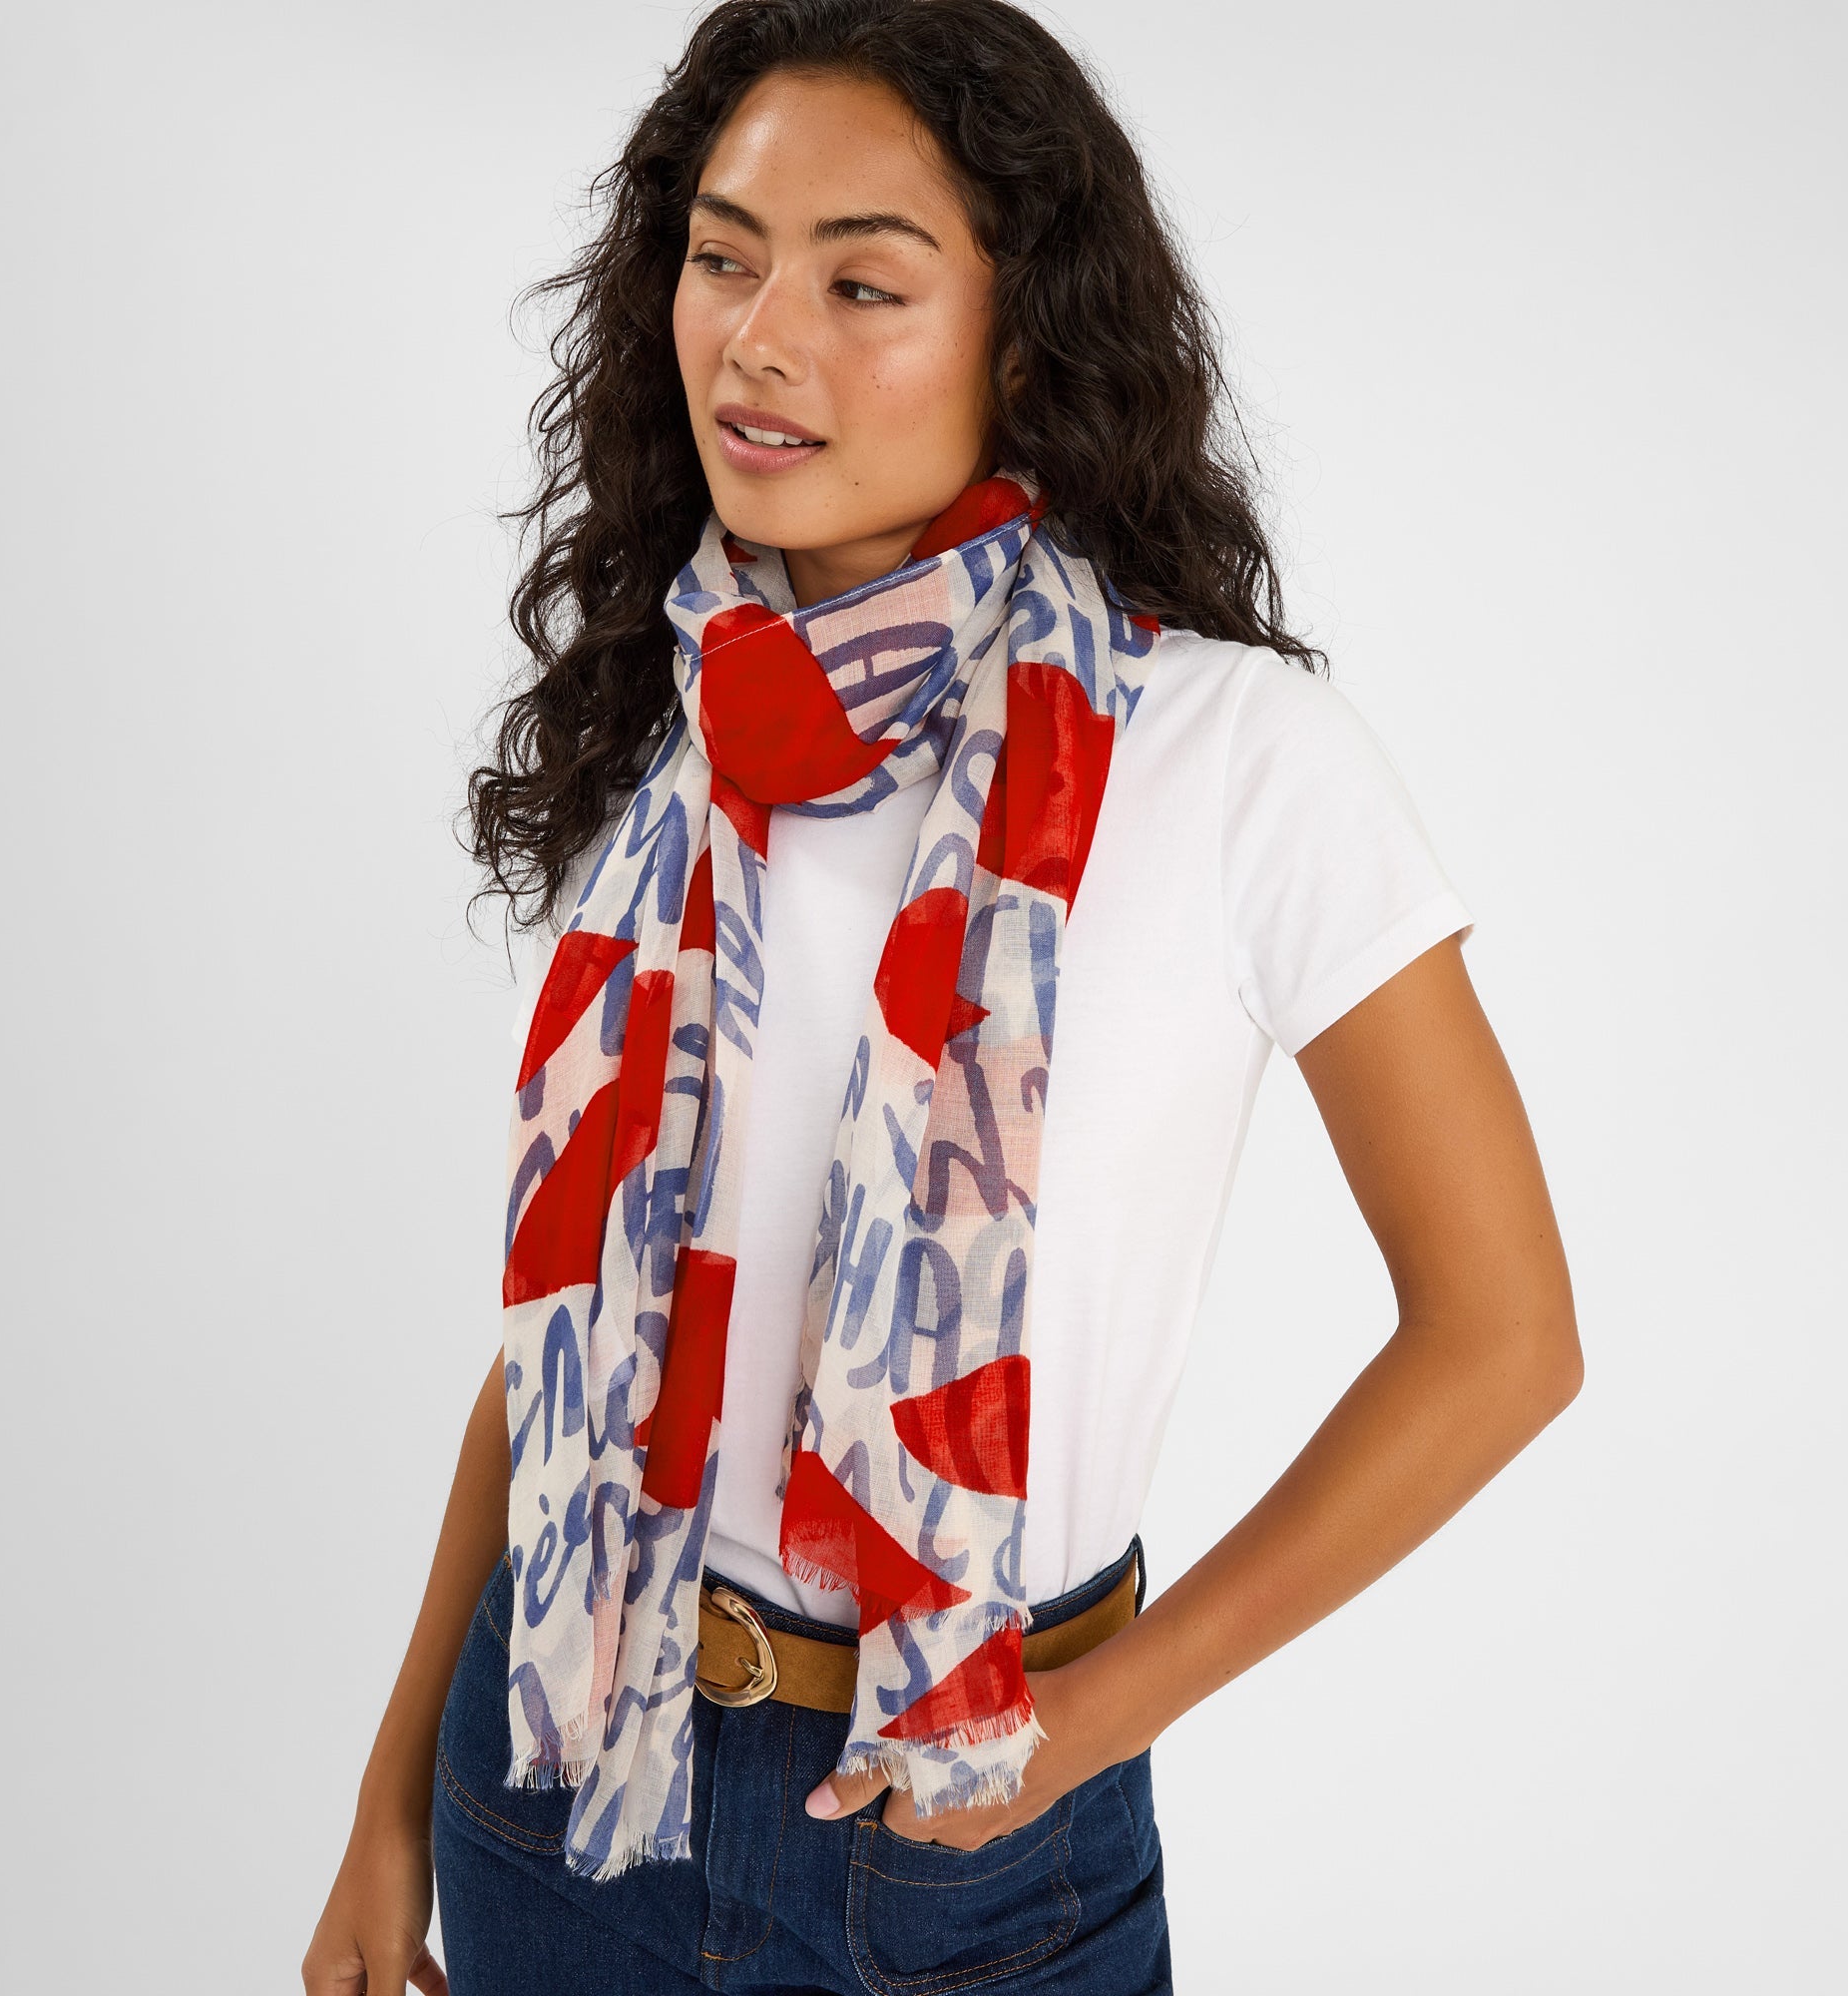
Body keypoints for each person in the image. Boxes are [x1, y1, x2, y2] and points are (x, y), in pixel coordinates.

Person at [302, 1, 1583, 1990]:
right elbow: (572, 1337)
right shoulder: (682, 723)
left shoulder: (1231, 756)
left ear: (1026, 337)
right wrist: (388, 1805)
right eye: (722, 258)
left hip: (968, 1841)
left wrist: (1087, 1727)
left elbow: (1502, 1339)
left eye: (861, 283)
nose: (759, 339)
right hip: (562, 1785)